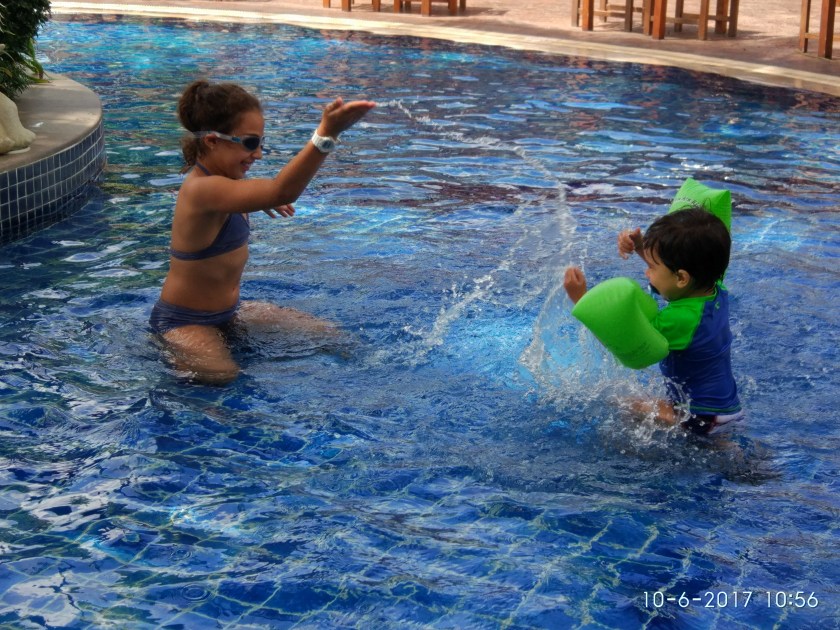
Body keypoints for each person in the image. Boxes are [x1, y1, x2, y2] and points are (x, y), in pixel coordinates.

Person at [150, 79, 376, 384]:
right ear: (213, 141)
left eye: (260, 143)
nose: (258, 154)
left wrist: (259, 198)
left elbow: (266, 192)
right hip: (184, 322)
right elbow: (282, 190)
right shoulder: (201, 190)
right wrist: (326, 134)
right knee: (222, 378)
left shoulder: (227, 185)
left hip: (229, 314)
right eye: (250, 143)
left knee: (331, 336)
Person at [563, 207, 744, 435]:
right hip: (726, 409)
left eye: (651, 267)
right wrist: (642, 247)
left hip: (700, 417)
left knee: (621, 404)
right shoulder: (715, 290)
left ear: (682, 278)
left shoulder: (679, 320)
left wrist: (581, 299)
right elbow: (671, 276)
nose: (647, 273)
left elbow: (624, 344)